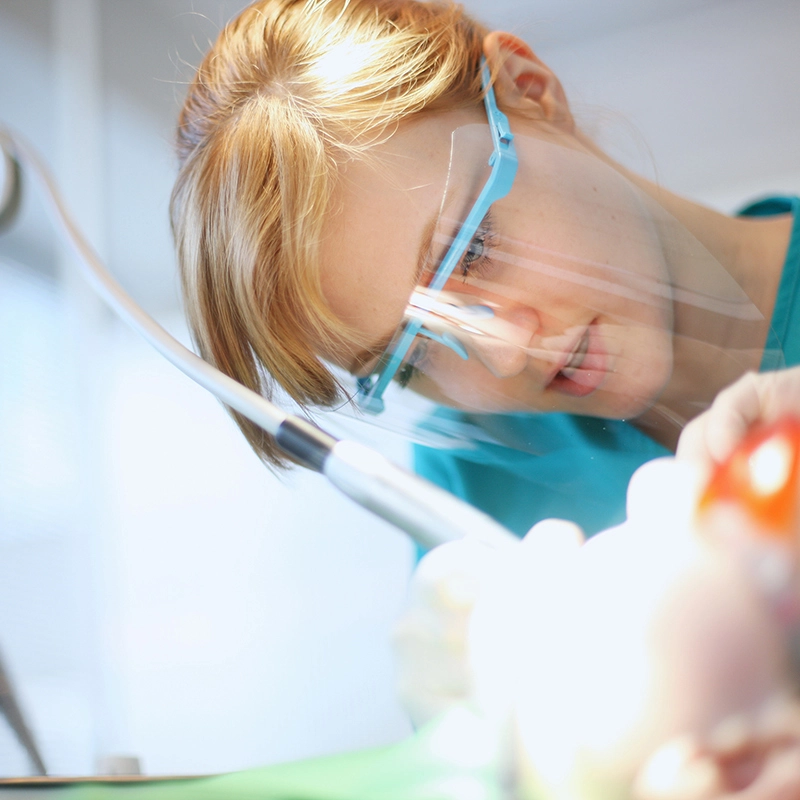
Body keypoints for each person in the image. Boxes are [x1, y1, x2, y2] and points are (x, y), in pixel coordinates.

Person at [170, 0, 799, 543]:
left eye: (472, 250)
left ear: (528, 88)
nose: (506, 353)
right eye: (413, 358)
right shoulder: (472, 502)